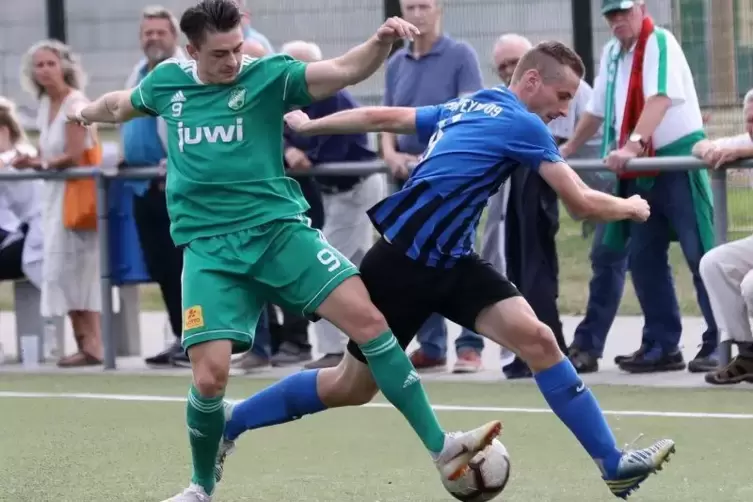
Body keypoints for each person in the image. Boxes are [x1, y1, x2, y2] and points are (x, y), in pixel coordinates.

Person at [67, 2, 499, 501]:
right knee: (210, 380)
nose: (233, 62)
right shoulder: (168, 83)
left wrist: (380, 42)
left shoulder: (267, 75)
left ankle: (442, 448)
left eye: (237, 48)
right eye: (220, 54)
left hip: (280, 234)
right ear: (191, 52)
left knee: (371, 323)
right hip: (210, 250)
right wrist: (85, 111)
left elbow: (340, 71)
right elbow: (121, 104)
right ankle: (200, 488)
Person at [219, 41, 676, 499]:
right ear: (532, 81)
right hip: (400, 266)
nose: (565, 110)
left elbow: (385, 117)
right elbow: (580, 203)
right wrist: (630, 206)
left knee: (538, 340)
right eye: (563, 97)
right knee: (349, 387)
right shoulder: (522, 123)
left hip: (454, 263)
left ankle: (613, 463)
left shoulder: (473, 104)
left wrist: (312, 125)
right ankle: (232, 420)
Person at [16, 39, 103, 368]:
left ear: (64, 66)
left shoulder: (74, 103)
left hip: (74, 197)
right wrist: (33, 159)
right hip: (53, 198)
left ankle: (93, 343)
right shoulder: (44, 105)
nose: (45, 70)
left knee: (79, 269)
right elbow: (50, 152)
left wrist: (41, 164)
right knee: (62, 270)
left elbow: (75, 154)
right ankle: (85, 343)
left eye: (50, 63)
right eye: (39, 65)